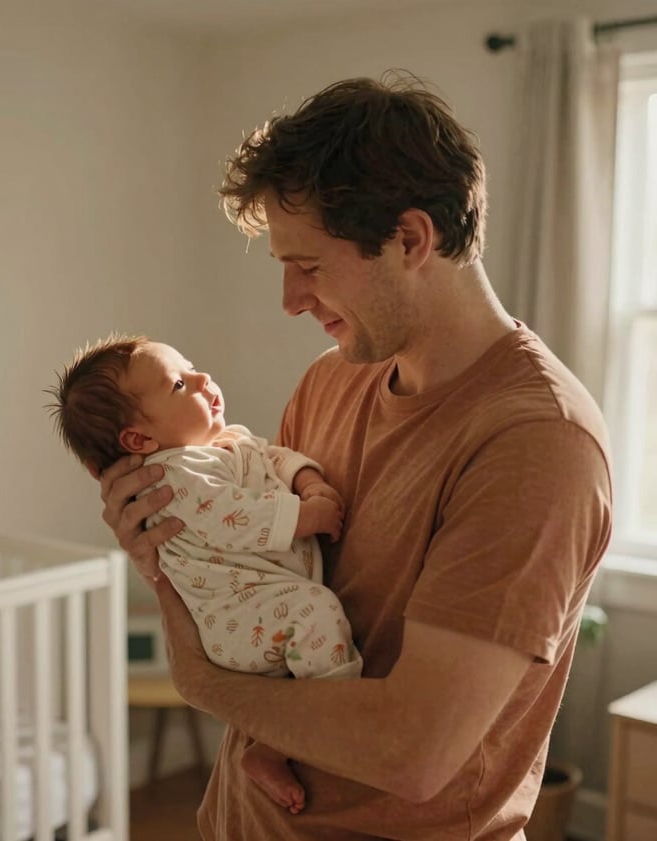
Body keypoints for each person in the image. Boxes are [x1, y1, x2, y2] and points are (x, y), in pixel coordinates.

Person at [98, 72, 613, 841]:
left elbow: (412, 751)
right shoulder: (331, 381)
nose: (290, 299)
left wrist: (199, 678)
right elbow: (262, 591)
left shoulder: (537, 442)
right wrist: (165, 543)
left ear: (410, 239)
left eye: (308, 265)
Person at [47, 334, 363, 814]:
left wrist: (308, 480)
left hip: (264, 601)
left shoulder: (224, 444)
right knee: (317, 613)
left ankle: (271, 747)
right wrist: (306, 516)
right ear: (139, 440)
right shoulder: (173, 477)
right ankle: (326, 728)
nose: (202, 378)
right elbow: (234, 516)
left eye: (191, 367)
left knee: (307, 630)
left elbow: (272, 457)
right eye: (178, 384)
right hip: (237, 620)